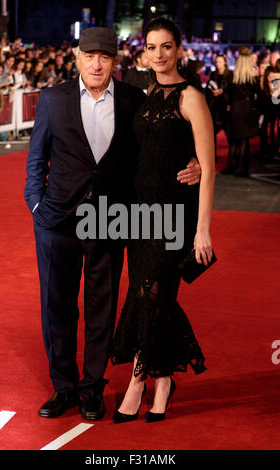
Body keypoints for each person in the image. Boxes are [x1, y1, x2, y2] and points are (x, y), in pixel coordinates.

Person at [24, 27, 201, 421]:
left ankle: (91, 387)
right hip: (57, 220)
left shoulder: (134, 99)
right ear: (78, 58)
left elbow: (160, 143)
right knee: (56, 306)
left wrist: (196, 161)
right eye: (90, 56)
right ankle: (63, 387)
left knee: (101, 308)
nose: (97, 64)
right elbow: (36, 160)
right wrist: (37, 206)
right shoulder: (53, 99)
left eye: (105, 57)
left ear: (114, 62)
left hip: (109, 219)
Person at [111, 18, 215, 423]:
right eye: (152, 47)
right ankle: (165, 380)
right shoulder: (147, 93)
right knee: (151, 294)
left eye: (166, 46)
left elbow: (207, 168)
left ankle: (139, 381)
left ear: (178, 50)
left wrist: (202, 229)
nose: (159, 54)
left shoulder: (192, 97)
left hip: (175, 214)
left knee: (149, 294)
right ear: (144, 53)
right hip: (140, 213)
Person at [221, 47, 261, 176]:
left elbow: (226, 93)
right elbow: (259, 95)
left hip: (235, 110)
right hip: (247, 110)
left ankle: (229, 167)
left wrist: (229, 104)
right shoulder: (252, 79)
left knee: (234, 140)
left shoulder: (232, 76)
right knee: (244, 141)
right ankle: (241, 169)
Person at [206, 54, 233, 159]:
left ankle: (233, 152)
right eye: (216, 62)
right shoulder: (213, 74)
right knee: (212, 132)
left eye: (220, 62)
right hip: (214, 105)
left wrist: (222, 91)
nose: (218, 64)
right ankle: (213, 155)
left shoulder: (230, 74)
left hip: (225, 105)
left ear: (225, 62)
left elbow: (231, 89)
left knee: (228, 131)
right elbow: (209, 88)